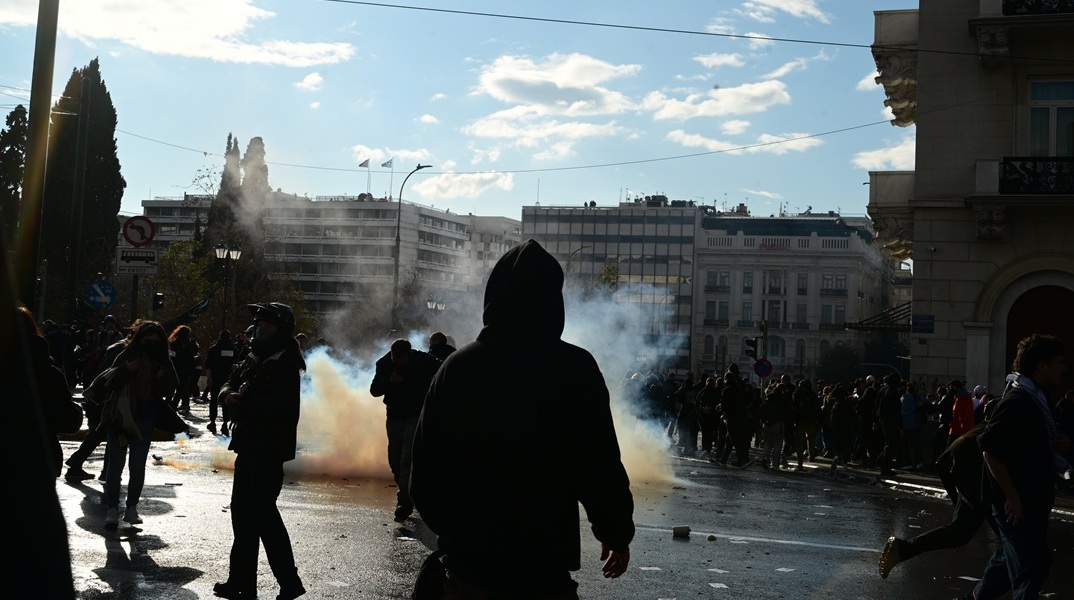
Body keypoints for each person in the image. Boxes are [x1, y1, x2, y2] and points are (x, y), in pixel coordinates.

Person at [410, 240, 634, 597]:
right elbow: (598, 464)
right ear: (552, 301)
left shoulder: (458, 368)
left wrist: (458, 532)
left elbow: (425, 468)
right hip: (543, 564)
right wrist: (615, 533)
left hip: (470, 566)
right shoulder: (574, 369)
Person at [965, 334, 1069, 600]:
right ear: (1041, 366)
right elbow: (990, 449)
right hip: (1016, 506)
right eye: (1059, 362)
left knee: (1005, 566)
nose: (1064, 368)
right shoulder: (1018, 401)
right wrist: (1012, 497)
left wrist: (1058, 444)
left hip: (1031, 502)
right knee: (1032, 566)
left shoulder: (1038, 399)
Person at [213, 303, 306, 600]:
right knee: (242, 516)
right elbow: (228, 382)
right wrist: (228, 396)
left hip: (268, 450)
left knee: (265, 517)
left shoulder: (285, 366)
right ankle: (240, 581)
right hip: (247, 446)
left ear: (281, 331)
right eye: (259, 325)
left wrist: (248, 399)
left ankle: (289, 583)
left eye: (268, 327)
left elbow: (285, 411)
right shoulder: (254, 359)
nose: (260, 332)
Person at [100, 320, 180, 528]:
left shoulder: (163, 360)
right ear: (139, 339)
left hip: (147, 413)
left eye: (155, 341)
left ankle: (131, 508)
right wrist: (127, 369)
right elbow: (109, 381)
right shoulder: (126, 355)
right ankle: (112, 509)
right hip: (121, 413)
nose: (151, 344)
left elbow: (172, 387)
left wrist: (161, 378)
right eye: (147, 340)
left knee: (137, 465)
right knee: (115, 464)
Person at [370, 337, 441, 522]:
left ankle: (404, 501)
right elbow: (374, 390)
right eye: (394, 358)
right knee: (394, 458)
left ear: (409, 355)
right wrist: (388, 381)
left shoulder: (423, 360)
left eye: (401, 359)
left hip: (415, 415)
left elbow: (443, 369)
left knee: (407, 457)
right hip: (394, 416)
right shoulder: (384, 363)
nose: (397, 363)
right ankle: (408, 489)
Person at [204, 329, 238, 435]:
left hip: (215, 378)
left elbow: (208, 365)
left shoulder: (214, 349)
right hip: (228, 379)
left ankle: (212, 422)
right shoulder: (234, 350)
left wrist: (209, 377)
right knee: (225, 402)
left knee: (213, 400)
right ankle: (225, 424)